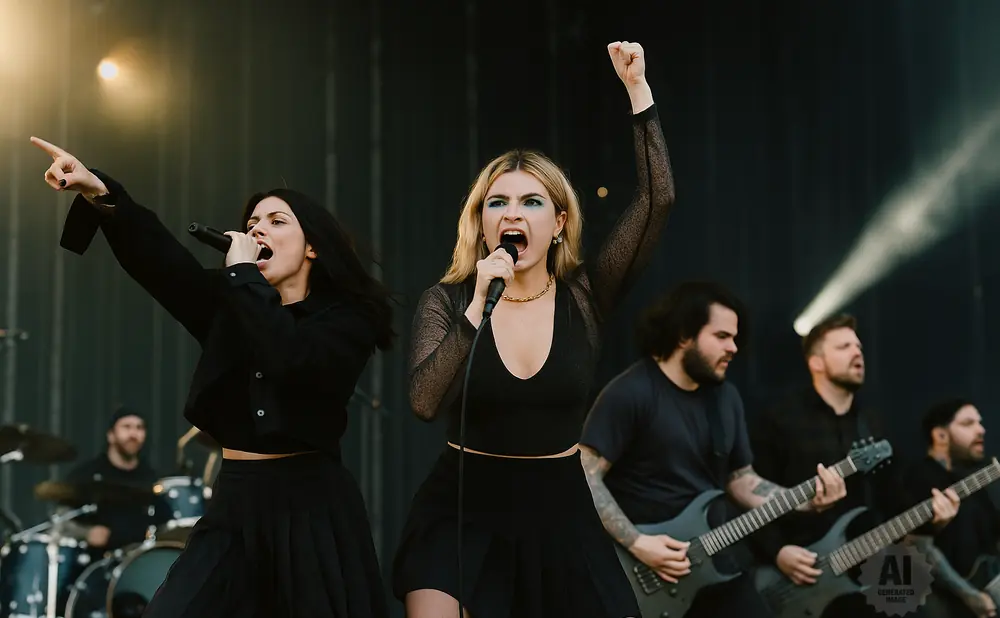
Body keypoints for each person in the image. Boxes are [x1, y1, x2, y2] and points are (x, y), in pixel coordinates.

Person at [30, 136, 394, 617]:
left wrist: (243, 276)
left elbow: (294, 357)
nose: (257, 229)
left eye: (276, 221)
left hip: (311, 502)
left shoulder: (346, 319)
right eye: (252, 223)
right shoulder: (230, 305)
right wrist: (98, 190)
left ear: (313, 249)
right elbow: (163, 262)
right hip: (236, 499)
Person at [392, 41, 674, 618]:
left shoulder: (585, 297)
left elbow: (657, 199)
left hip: (560, 509)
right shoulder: (446, 300)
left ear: (560, 221)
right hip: (463, 509)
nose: (512, 213)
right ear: (481, 221)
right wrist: (477, 306)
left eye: (531, 201)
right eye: (496, 202)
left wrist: (638, 91)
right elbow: (423, 402)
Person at [579, 281, 847, 618]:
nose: (734, 347)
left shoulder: (725, 399)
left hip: (715, 560)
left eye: (735, 337)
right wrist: (637, 542)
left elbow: (742, 481)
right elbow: (584, 475)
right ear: (683, 336)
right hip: (646, 568)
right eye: (722, 337)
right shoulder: (630, 392)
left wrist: (805, 500)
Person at [748, 313, 960, 618]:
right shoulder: (780, 419)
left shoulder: (872, 424)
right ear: (816, 362)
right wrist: (777, 551)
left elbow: (894, 502)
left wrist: (934, 520)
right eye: (844, 346)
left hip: (871, 554)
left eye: (858, 346)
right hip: (804, 567)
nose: (857, 352)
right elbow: (751, 495)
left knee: (929, 610)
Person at [902, 399, 998, 618]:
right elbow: (917, 546)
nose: (981, 430)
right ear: (941, 435)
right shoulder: (918, 476)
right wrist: (969, 596)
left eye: (980, 423)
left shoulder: (971, 481)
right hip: (944, 600)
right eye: (968, 423)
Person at [61, 405, 166, 552]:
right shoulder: (86, 475)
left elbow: (167, 526)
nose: (133, 434)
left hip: (140, 559)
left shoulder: (151, 478)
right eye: (126, 427)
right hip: (94, 562)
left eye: (139, 428)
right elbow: (60, 521)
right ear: (111, 435)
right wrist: (86, 533)